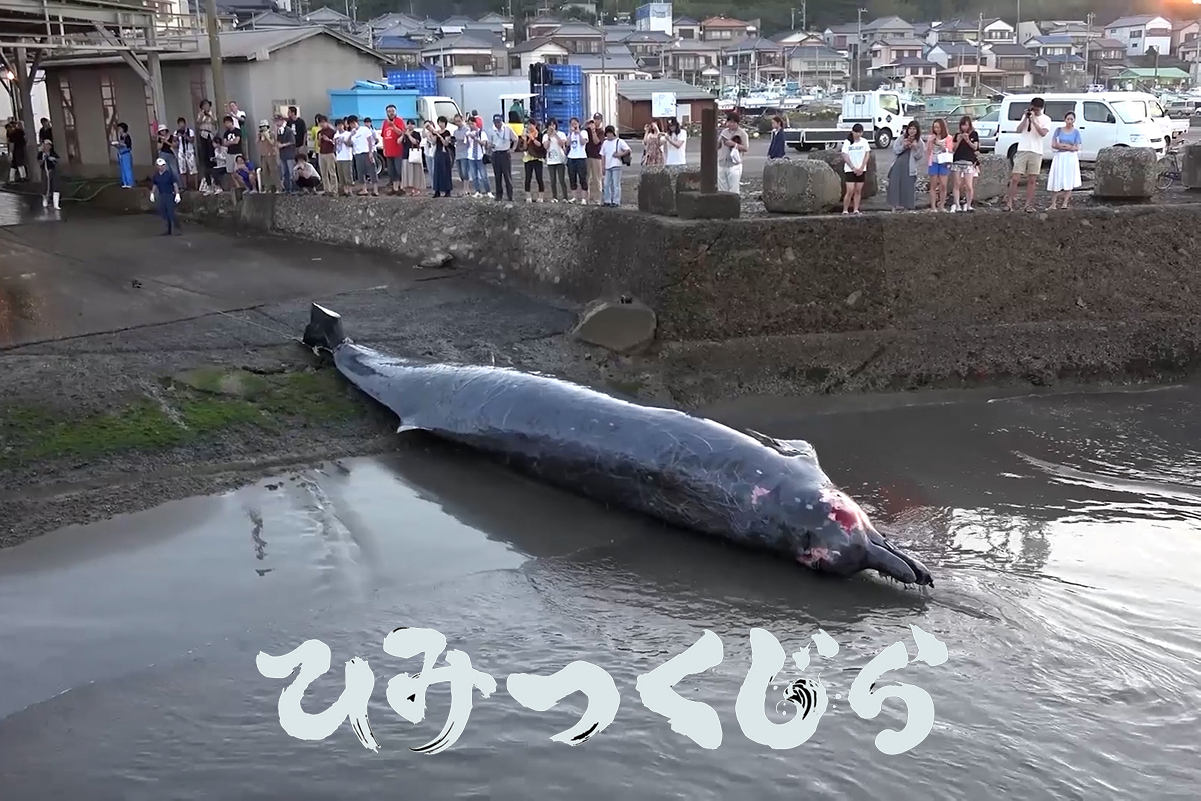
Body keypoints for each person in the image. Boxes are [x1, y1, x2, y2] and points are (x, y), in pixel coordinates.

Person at [1005, 97, 1050, 213]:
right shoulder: (1026, 116)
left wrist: (1034, 120)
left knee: (1032, 180)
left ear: (1041, 108)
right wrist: (1026, 118)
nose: (1034, 111)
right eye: (1033, 108)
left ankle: (1028, 205)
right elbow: (1018, 130)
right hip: (1023, 149)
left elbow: (1043, 133)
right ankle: (1009, 203)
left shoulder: (1046, 119)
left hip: (1036, 151)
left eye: (1037, 109)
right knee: (1015, 178)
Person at [1047, 111, 1082, 210]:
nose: (1069, 121)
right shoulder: (1058, 130)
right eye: (1068, 119)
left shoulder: (1076, 132)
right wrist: (1067, 146)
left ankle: (1065, 203)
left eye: (1071, 119)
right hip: (1060, 156)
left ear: (1074, 120)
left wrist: (1065, 146)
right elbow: (1054, 144)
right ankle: (1053, 204)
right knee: (1056, 178)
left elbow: (1076, 147)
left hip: (1070, 158)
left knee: (1069, 178)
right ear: (1065, 119)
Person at [887, 121, 921, 211]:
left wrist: (915, 148)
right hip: (897, 164)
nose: (912, 131)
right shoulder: (901, 138)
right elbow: (895, 150)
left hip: (910, 166)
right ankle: (894, 207)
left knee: (908, 186)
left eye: (914, 129)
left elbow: (919, 156)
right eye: (910, 128)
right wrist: (903, 146)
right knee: (894, 185)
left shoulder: (919, 141)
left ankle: (907, 207)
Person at [950, 115, 979, 213]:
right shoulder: (957, 135)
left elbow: (975, 147)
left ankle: (969, 204)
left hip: (968, 161)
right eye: (963, 125)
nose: (964, 127)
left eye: (966, 125)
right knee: (957, 184)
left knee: (969, 185)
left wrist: (967, 140)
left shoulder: (974, 134)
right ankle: (957, 205)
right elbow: (953, 149)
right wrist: (958, 141)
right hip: (957, 160)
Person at [840, 123, 870, 215]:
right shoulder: (847, 142)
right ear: (852, 132)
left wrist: (862, 167)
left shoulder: (864, 142)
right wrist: (853, 167)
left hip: (861, 169)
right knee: (850, 190)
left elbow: (867, 154)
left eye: (860, 132)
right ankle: (845, 209)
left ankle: (856, 209)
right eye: (856, 132)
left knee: (858, 190)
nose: (858, 134)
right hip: (850, 169)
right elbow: (844, 155)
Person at [486, 113, 516, 202]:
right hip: (496, 154)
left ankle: (510, 196)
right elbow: (488, 143)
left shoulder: (507, 129)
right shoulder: (491, 130)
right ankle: (499, 196)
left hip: (505, 153)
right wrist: (490, 146)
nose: (497, 125)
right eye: (496, 123)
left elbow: (515, 139)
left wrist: (512, 149)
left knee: (507, 176)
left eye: (498, 122)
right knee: (497, 176)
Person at [924, 118, 952, 212]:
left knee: (943, 185)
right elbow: (928, 151)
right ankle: (933, 207)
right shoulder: (931, 137)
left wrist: (941, 145)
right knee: (933, 185)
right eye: (935, 127)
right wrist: (930, 142)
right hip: (934, 162)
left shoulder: (948, 138)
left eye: (938, 127)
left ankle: (942, 206)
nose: (936, 129)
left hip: (944, 163)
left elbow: (949, 150)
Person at [599, 125, 631, 207]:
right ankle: (607, 200)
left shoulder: (619, 141)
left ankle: (616, 201)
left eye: (610, 133)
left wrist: (620, 154)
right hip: (607, 165)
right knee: (606, 184)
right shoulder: (605, 143)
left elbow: (628, 150)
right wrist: (602, 166)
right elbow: (602, 155)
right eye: (608, 133)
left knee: (615, 184)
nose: (609, 135)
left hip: (616, 165)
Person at [718, 112, 749, 194]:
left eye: (733, 122)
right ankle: (723, 205)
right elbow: (717, 146)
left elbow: (745, 148)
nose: (730, 124)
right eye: (729, 122)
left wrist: (734, 144)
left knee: (733, 189)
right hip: (722, 162)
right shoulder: (724, 132)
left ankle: (733, 205)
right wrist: (719, 140)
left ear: (737, 123)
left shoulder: (742, 133)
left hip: (734, 164)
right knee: (722, 188)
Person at [149, 157, 181, 235]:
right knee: (163, 212)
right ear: (157, 166)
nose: (161, 167)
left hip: (169, 194)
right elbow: (155, 185)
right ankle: (168, 229)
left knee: (171, 212)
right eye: (159, 165)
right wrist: (152, 193)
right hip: (161, 195)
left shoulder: (169, 174)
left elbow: (175, 184)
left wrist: (177, 194)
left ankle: (176, 230)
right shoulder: (156, 176)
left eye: (162, 165)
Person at [348, 116, 377, 196]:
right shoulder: (352, 133)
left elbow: (370, 141)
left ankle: (375, 189)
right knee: (360, 172)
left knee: (372, 170)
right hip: (357, 154)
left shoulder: (364, 129)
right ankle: (364, 189)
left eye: (353, 123)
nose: (352, 125)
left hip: (367, 152)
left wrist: (370, 152)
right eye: (351, 124)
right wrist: (351, 135)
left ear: (356, 122)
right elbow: (349, 143)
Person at [426, 117, 455, 198]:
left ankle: (447, 191)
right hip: (438, 153)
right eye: (439, 122)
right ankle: (437, 191)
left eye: (442, 122)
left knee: (445, 171)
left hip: (445, 153)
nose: (441, 124)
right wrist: (432, 134)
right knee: (437, 172)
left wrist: (439, 136)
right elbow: (434, 143)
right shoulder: (436, 132)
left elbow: (446, 143)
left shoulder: (447, 132)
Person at [381, 104, 405, 194]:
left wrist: (393, 126)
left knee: (398, 170)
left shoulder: (399, 120)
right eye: (389, 111)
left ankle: (400, 187)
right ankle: (394, 188)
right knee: (391, 171)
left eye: (392, 111)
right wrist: (384, 148)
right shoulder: (385, 122)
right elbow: (383, 136)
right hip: (388, 150)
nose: (391, 113)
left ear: (395, 112)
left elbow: (401, 133)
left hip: (397, 150)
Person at [565, 117, 589, 203]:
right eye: (572, 124)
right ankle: (574, 197)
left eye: (575, 123)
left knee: (582, 178)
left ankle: (584, 199)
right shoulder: (570, 134)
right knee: (572, 178)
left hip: (581, 157)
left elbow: (583, 142)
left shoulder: (584, 132)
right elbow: (567, 144)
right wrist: (571, 134)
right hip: (572, 157)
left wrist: (578, 133)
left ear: (578, 124)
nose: (573, 125)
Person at [543, 119, 568, 202]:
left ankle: (565, 197)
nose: (552, 126)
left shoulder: (561, 134)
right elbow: (546, 147)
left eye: (553, 125)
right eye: (550, 125)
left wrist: (555, 135)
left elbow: (562, 143)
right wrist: (549, 136)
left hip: (560, 159)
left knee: (561, 179)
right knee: (552, 180)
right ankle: (554, 197)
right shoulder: (545, 136)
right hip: (551, 160)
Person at [521, 121, 546, 203]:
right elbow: (524, 148)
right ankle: (528, 197)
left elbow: (540, 145)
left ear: (535, 125)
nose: (529, 126)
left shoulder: (539, 134)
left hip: (537, 158)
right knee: (528, 178)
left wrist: (532, 138)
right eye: (528, 125)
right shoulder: (527, 135)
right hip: (528, 158)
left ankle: (541, 197)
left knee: (539, 178)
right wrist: (525, 139)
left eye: (530, 125)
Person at [196, 99, 217, 193]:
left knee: (212, 156)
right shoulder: (200, 114)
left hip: (211, 135)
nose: (206, 107)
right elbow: (198, 124)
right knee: (205, 157)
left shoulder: (213, 113)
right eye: (204, 105)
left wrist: (210, 116)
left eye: (207, 105)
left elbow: (215, 122)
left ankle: (215, 181)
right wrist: (202, 116)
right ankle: (208, 181)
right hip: (203, 135)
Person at [465, 117, 489, 197]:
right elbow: (467, 145)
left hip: (480, 156)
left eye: (472, 123)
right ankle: (478, 191)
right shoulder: (468, 133)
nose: (471, 125)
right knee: (474, 176)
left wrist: (475, 138)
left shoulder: (481, 132)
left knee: (483, 175)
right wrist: (468, 138)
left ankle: (488, 191)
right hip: (471, 156)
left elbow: (484, 143)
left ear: (476, 123)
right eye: (469, 124)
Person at [585, 114, 604, 204]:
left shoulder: (601, 132)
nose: (596, 121)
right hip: (587, 156)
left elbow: (597, 142)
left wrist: (593, 131)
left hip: (596, 157)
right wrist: (586, 125)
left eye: (598, 119)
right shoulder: (586, 131)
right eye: (595, 119)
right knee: (586, 178)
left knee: (597, 179)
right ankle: (586, 198)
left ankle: (598, 198)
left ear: (601, 121)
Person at [402, 120, 424, 195]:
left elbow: (415, 142)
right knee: (407, 174)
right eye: (408, 124)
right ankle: (409, 189)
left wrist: (409, 135)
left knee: (415, 173)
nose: (410, 126)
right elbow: (398, 142)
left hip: (414, 155)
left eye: (412, 124)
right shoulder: (404, 134)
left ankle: (416, 189)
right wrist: (403, 134)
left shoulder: (416, 134)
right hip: (405, 155)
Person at [317, 117, 338, 195]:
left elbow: (335, 143)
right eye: (320, 123)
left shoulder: (332, 132)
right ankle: (327, 189)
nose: (322, 124)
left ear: (326, 122)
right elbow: (319, 144)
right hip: (322, 153)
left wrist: (328, 139)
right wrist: (319, 139)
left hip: (330, 153)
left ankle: (334, 189)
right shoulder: (320, 132)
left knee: (332, 172)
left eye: (323, 122)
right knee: (323, 172)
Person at [275, 113, 296, 193]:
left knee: (291, 172)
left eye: (277, 121)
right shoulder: (279, 131)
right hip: (282, 154)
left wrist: (282, 145)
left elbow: (292, 141)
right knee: (284, 172)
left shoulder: (288, 130)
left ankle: (292, 188)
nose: (276, 123)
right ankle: (286, 188)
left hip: (289, 154)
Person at [220, 115, 242, 191]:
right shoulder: (226, 133)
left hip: (237, 152)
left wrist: (229, 142)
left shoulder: (237, 131)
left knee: (238, 170)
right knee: (231, 171)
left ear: (232, 122)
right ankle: (237, 186)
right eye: (225, 123)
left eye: (228, 122)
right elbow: (224, 143)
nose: (227, 124)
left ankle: (242, 185)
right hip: (229, 153)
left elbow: (237, 141)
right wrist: (231, 142)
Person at [334, 119, 355, 196]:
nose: (339, 127)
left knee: (348, 174)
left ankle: (350, 190)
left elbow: (351, 144)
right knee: (341, 175)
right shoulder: (336, 135)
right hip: (339, 157)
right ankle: (345, 190)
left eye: (340, 125)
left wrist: (343, 141)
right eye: (337, 125)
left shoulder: (348, 134)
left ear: (344, 126)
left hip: (347, 157)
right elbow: (335, 147)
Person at [452, 113, 472, 195]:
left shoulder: (467, 130)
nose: (457, 123)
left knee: (465, 172)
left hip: (465, 153)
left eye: (459, 121)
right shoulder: (455, 131)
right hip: (458, 153)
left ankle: (466, 189)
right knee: (460, 172)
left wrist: (460, 140)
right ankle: (465, 188)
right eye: (456, 122)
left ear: (462, 120)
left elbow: (468, 142)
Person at [38, 139, 61, 210]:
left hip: (52, 171)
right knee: (45, 186)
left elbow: (58, 160)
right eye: (45, 145)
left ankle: (56, 204)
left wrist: (53, 159)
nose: (46, 147)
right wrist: (44, 158)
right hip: (45, 171)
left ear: (50, 146)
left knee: (55, 186)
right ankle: (45, 201)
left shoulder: (53, 153)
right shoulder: (40, 154)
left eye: (48, 145)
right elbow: (40, 162)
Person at [110, 122, 134, 188]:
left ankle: (129, 183)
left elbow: (128, 146)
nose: (119, 130)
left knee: (127, 169)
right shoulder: (121, 137)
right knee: (122, 169)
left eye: (120, 128)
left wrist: (120, 144)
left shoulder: (127, 136)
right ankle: (125, 182)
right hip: (121, 154)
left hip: (126, 154)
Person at [175, 117, 197, 191]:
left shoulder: (189, 131)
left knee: (193, 169)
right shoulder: (176, 132)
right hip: (181, 152)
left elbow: (192, 140)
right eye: (180, 124)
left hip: (189, 151)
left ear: (185, 123)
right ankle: (185, 186)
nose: (181, 125)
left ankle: (196, 186)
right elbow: (175, 144)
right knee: (182, 170)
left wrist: (185, 136)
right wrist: (177, 138)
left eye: (182, 123)